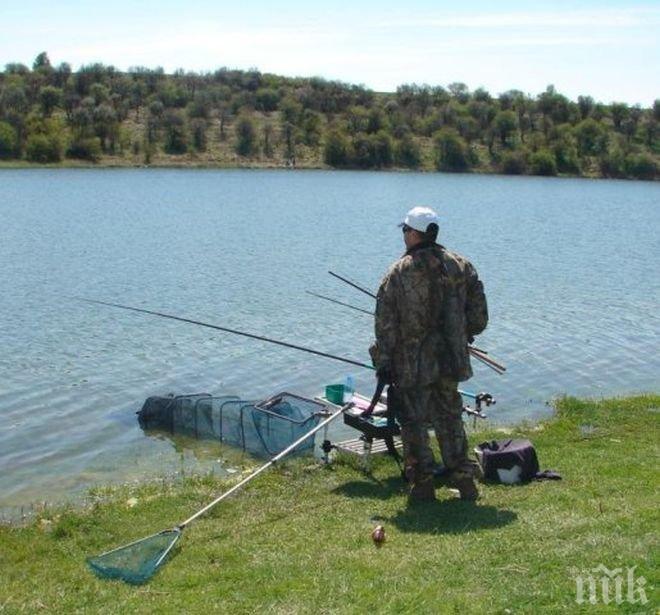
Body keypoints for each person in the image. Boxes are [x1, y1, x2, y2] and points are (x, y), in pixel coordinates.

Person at [369, 206, 488, 502]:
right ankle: (464, 481)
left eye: (405, 230)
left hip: (412, 366)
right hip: (451, 361)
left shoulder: (399, 271)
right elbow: (480, 317)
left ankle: (422, 485)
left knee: (414, 423)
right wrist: (462, 335)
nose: (404, 236)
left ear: (414, 233)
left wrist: (384, 362)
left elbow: (385, 324)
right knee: (450, 418)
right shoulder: (462, 266)